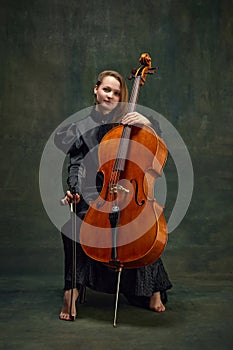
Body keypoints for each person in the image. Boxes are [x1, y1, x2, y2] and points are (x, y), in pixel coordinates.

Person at [55, 70, 172, 321]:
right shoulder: (81, 127)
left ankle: (153, 288)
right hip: (96, 194)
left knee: (140, 226)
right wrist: (74, 192)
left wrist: (147, 124)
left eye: (117, 92)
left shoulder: (131, 122)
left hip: (130, 193)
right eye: (107, 89)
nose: (111, 95)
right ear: (96, 90)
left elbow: (156, 147)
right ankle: (72, 289)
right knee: (71, 226)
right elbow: (75, 165)